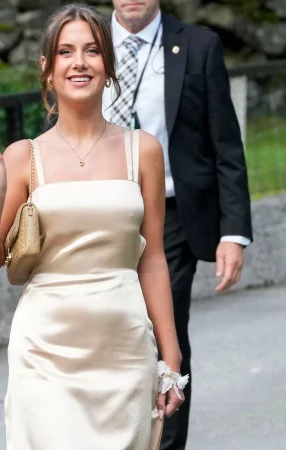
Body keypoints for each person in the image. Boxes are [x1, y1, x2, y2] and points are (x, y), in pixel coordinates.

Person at [0, 5, 187, 449]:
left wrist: (170, 355)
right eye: (65, 51)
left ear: (109, 65)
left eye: (92, 51)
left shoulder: (144, 150)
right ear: (47, 68)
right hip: (45, 349)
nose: (79, 62)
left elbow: (153, 259)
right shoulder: (24, 156)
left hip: (124, 346)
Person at [104, 1, 253, 448]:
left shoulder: (198, 46)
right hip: (100, 210)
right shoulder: (84, 43)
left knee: (162, 330)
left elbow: (224, 141)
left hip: (169, 215)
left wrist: (233, 231)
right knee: (108, 330)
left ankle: (164, 443)